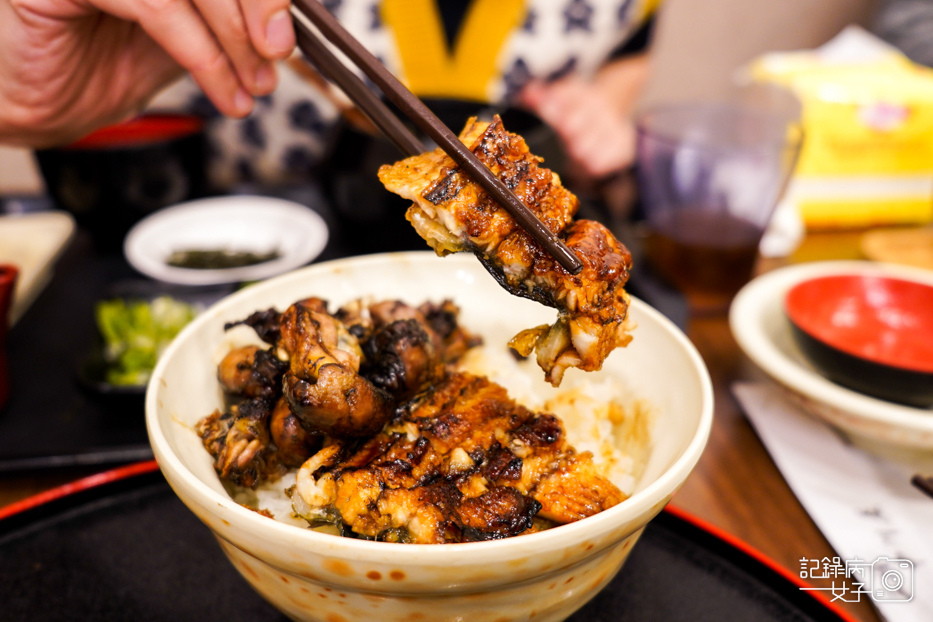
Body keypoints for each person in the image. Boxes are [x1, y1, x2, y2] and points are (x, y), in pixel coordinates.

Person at [0, 0, 653, 183]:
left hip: (511, 266)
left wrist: (602, 119)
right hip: (260, 211)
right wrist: (19, 99)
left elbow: (623, 60)